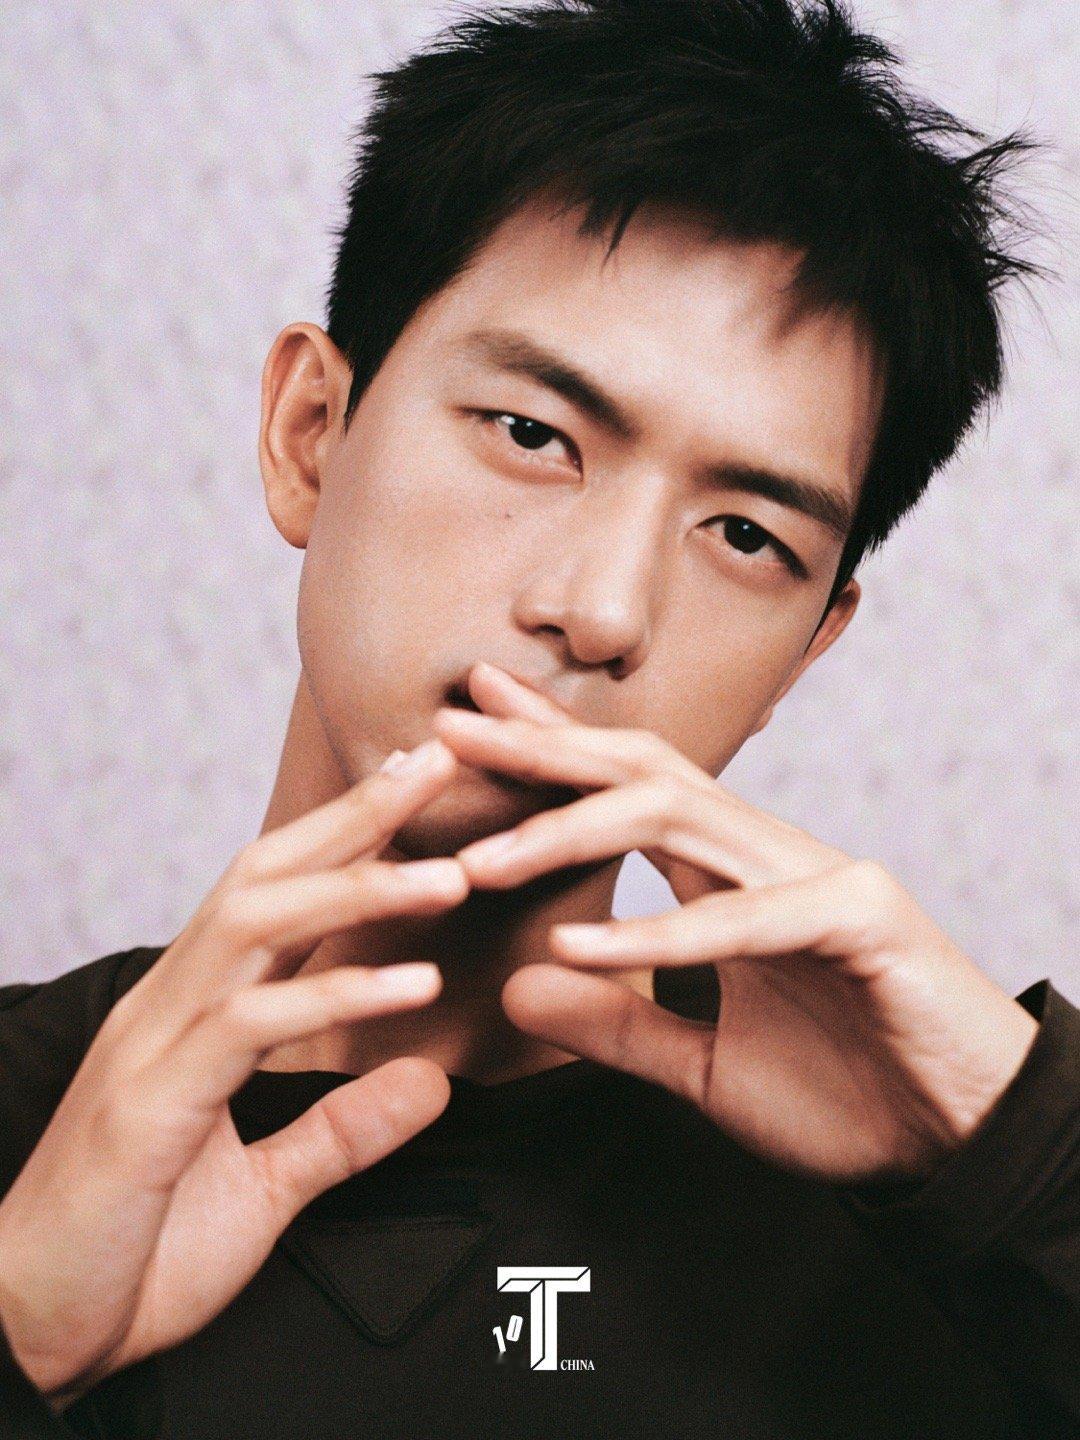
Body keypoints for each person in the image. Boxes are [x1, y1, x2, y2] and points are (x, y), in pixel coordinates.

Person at [1, 1, 1076, 1436]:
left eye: (747, 535)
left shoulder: (949, 1231)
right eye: (532, 435)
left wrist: (1024, 1145)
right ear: (310, 434)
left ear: (808, 652)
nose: (606, 611)